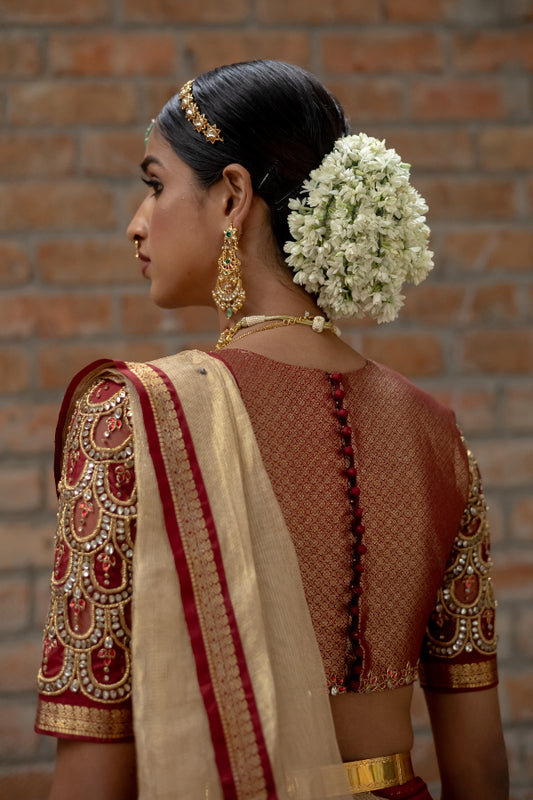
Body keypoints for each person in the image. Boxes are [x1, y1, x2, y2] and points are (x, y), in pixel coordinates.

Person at [35, 60, 509, 800]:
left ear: (231, 196)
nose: (136, 223)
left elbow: (92, 764)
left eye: (154, 185)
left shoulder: (130, 418)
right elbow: (479, 766)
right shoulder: (436, 436)